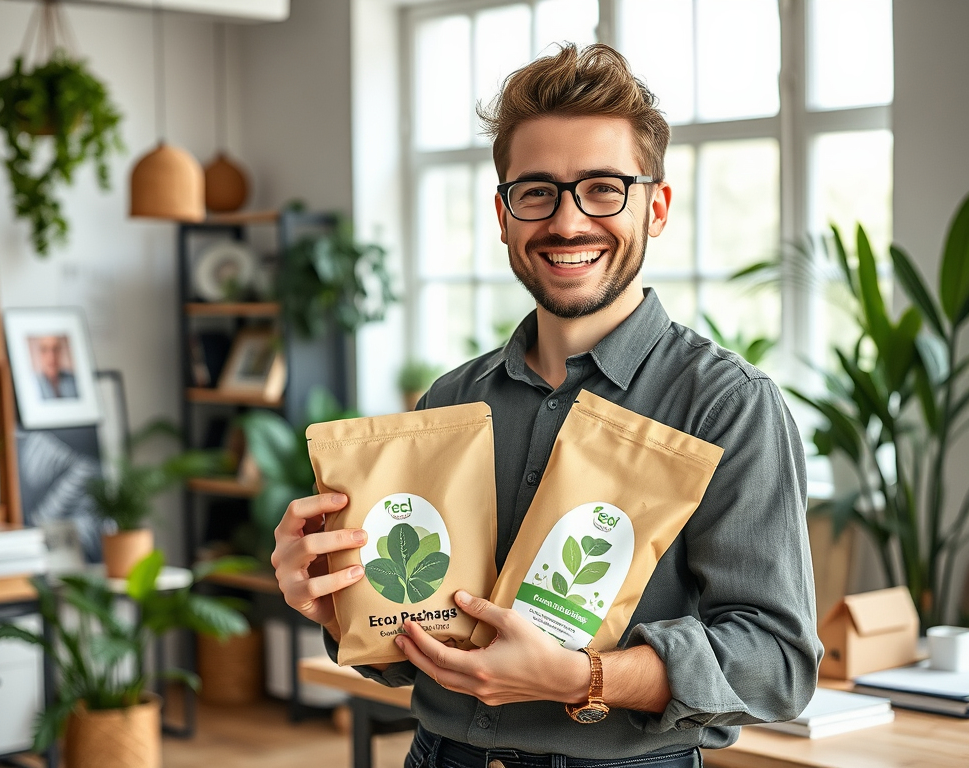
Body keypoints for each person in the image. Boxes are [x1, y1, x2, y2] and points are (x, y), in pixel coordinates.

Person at [272, 43, 820, 767]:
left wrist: (582, 676)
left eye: (602, 188)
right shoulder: (452, 399)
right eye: (537, 191)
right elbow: (409, 650)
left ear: (655, 207)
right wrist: (339, 606)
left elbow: (779, 662)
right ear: (503, 215)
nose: (566, 223)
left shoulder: (727, 407)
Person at [33, 335, 79, 399]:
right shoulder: (32, 384)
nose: (51, 357)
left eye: (55, 349)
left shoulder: (75, 380)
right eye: (44, 350)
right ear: (39, 353)